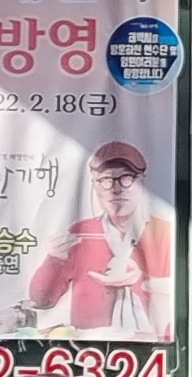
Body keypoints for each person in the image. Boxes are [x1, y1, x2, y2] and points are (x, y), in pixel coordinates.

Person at [22, 140, 172, 337]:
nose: (115, 189)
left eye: (126, 177)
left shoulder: (164, 232)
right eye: (105, 179)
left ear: (142, 181)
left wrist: (139, 279)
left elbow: (181, 297)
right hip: (90, 348)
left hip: (151, 347)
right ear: (94, 185)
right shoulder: (80, 232)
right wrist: (54, 259)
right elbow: (41, 300)